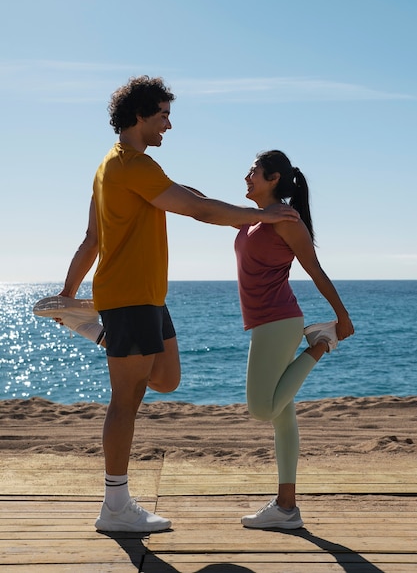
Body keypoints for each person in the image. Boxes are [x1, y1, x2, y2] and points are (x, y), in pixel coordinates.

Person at [35, 77, 299, 534]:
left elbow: (96, 237)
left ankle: (95, 328)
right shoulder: (129, 166)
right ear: (139, 116)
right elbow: (197, 211)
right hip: (129, 297)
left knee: (167, 379)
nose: (169, 125)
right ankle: (115, 504)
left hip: (147, 297)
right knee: (127, 398)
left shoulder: (121, 168)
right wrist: (262, 215)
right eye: (162, 115)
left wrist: (70, 294)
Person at [234, 149, 354, 530]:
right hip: (266, 322)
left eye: (253, 171)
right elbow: (202, 204)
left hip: (279, 320)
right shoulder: (252, 218)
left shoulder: (286, 220)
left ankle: (321, 344)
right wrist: (161, 185)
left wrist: (342, 316)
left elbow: (314, 269)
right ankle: (287, 508)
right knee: (282, 415)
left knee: (260, 408)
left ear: (273, 179)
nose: (246, 176)